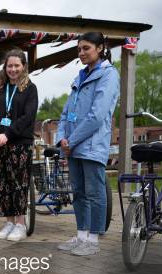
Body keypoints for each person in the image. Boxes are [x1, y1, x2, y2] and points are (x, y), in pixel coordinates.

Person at [56, 32, 119, 256]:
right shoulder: (79, 77)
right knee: (79, 193)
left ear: (100, 48)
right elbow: (66, 113)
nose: (81, 53)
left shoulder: (108, 75)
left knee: (95, 193)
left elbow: (97, 116)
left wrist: (70, 141)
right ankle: (81, 236)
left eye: (86, 48)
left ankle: (93, 240)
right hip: (72, 147)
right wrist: (61, 139)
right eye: (79, 49)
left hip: (91, 146)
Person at [0, 49, 38, 242]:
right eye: (10, 66)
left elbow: (27, 117)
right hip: (0, 143)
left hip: (19, 143)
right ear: (5, 67)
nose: (13, 69)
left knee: (18, 183)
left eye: (17, 65)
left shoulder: (29, 89)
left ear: (23, 66)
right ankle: (8, 222)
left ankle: (20, 224)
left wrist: (7, 134)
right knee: (2, 184)